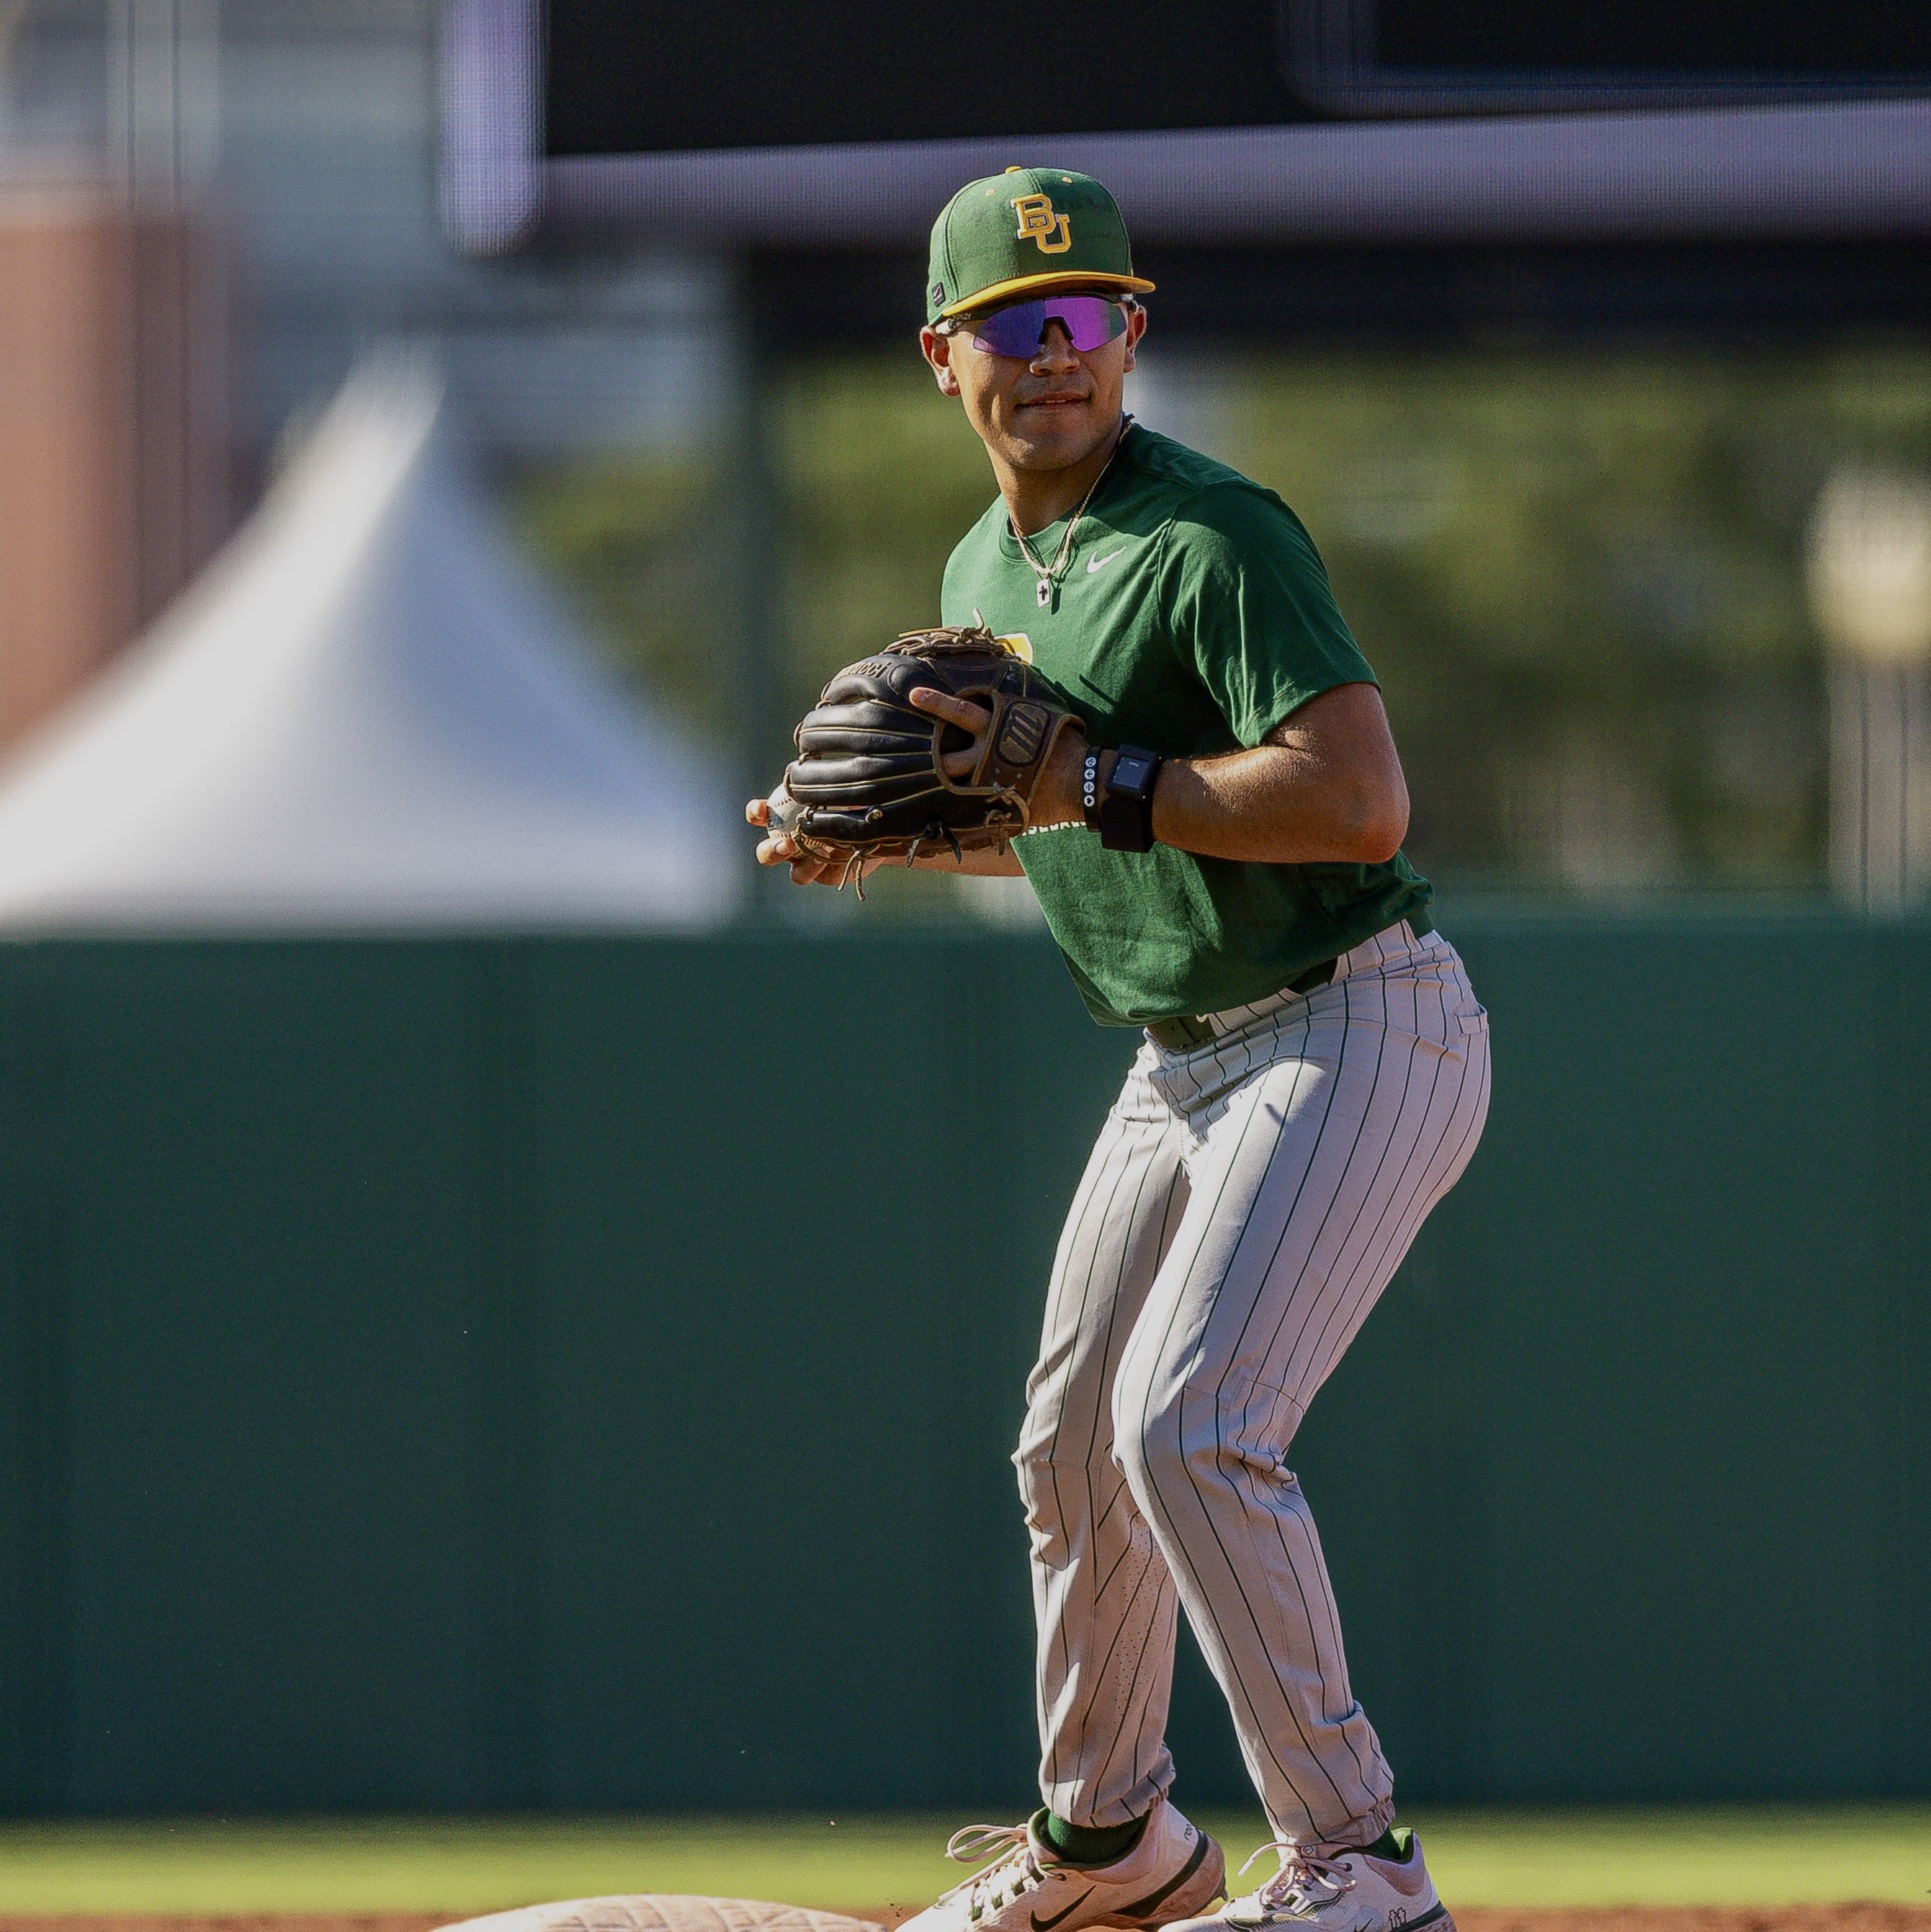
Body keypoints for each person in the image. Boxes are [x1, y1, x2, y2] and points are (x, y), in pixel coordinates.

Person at [748, 168, 1490, 1932]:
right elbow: (1070, 819)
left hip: (1351, 1015)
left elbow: (1357, 799)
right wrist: (912, 837)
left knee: (1191, 1427)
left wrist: (1097, 778)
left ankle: (1357, 1863)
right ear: (946, 358)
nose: (1057, 353)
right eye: (1017, 322)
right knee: (1072, 1446)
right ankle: (1110, 1850)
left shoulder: (1214, 534)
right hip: (1178, 1059)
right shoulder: (986, 565)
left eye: (1088, 317)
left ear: (1134, 336)